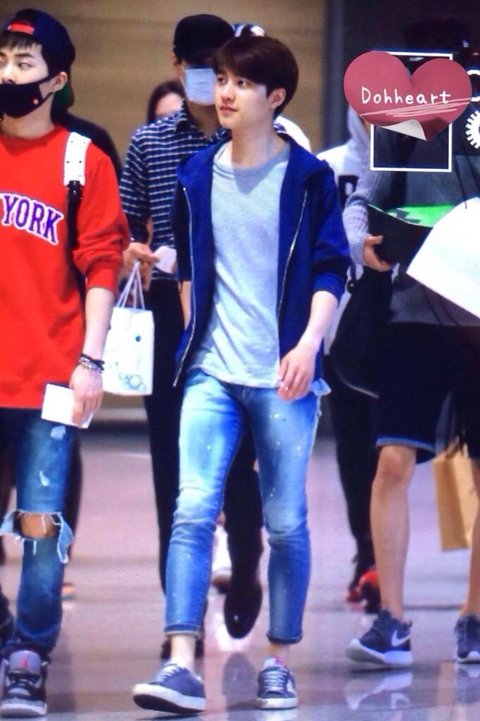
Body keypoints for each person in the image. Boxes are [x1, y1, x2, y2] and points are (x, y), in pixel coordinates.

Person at [131, 34, 350, 714]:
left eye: (242, 83)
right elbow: (188, 266)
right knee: (194, 508)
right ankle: (179, 660)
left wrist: (308, 344)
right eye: (222, 79)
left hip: (284, 374)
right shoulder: (197, 173)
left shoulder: (308, 177)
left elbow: (331, 268)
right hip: (212, 373)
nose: (225, 92)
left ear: (275, 96)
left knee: (285, 521)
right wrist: (195, 338)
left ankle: (279, 660)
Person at [120, 14, 264, 656]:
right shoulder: (150, 143)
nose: (211, 77)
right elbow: (123, 226)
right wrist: (136, 250)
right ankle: (180, 618)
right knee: (172, 470)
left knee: (239, 461)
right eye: (199, 63)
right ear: (178, 65)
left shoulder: (258, 135)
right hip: (166, 314)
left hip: (239, 312)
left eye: (221, 63)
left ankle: (247, 564)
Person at [0, 8, 128, 717]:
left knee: (40, 525)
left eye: (24, 63)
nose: (8, 73)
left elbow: (103, 265)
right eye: (3, 60)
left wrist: (91, 360)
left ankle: (29, 653)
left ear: (56, 80)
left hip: (49, 372)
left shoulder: (84, 159)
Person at [344, 17, 480, 668]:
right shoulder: (403, 124)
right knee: (392, 461)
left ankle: (474, 616)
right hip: (412, 314)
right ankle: (391, 620)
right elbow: (363, 201)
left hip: (478, 321)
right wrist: (361, 242)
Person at [318, 108, 380, 612]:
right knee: (354, 449)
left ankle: (378, 557)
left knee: (392, 449)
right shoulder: (327, 168)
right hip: (340, 329)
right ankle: (367, 553)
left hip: (404, 325)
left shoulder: (423, 166)